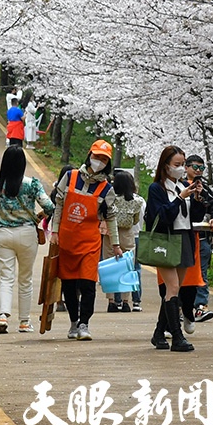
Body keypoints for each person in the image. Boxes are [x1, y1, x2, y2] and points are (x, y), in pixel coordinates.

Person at [50, 139, 122, 341]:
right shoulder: (70, 177)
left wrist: (115, 244)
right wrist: (54, 231)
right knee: (69, 285)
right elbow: (59, 206)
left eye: (103, 159)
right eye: (96, 156)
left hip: (90, 243)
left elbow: (111, 217)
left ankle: (84, 323)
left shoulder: (107, 188)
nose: (98, 161)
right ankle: (73, 322)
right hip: (66, 240)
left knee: (88, 284)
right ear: (90, 154)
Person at [0, 145, 55, 333]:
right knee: (25, 279)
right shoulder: (32, 184)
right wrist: (37, 217)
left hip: (3, 233)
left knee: (6, 278)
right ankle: (24, 321)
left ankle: (3, 316)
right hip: (27, 233)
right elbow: (49, 207)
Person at [144, 145, 199, 352]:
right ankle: (177, 336)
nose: (181, 169)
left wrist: (198, 200)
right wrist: (180, 198)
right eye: (177, 165)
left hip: (185, 238)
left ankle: (159, 333)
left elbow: (192, 217)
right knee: (173, 287)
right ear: (165, 166)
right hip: (165, 240)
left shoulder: (182, 186)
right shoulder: (156, 188)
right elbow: (162, 216)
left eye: (183, 164)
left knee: (173, 289)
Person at [184, 155, 213, 320]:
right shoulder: (180, 186)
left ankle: (200, 306)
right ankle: (181, 309)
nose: (198, 171)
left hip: (203, 237)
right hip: (183, 237)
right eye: (195, 167)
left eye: (201, 168)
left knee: (201, 273)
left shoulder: (204, 189)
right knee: (182, 274)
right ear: (186, 167)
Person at [107, 169, 145, 313]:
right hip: (128, 233)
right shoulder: (137, 201)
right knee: (128, 267)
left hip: (110, 233)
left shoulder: (111, 198)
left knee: (110, 267)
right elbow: (136, 220)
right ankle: (125, 301)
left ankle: (111, 301)